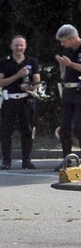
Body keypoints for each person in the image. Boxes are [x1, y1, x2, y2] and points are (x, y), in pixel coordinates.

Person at [0, 35, 41, 170]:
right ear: (11, 46)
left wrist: (31, 86)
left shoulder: (32, 61)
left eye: (21, 45)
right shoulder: (4, 62)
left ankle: (26, 160)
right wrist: (18, 75)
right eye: (16, 45)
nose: (19, 48)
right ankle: (6, 160)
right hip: (9, 99)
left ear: (25, 46)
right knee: (6, 131)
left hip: (26, 99)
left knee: (27, 130)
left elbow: (37, 81)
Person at [54, 25, 81, 170]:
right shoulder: (67, 50)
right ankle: (67, 160)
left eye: (64, 41)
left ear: (73, 38)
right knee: (64, 128)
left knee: (79, 127)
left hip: (80, 90)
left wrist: (71, 64)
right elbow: (64, 66)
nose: (62, 44)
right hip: (68, 91)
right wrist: (63, 69)